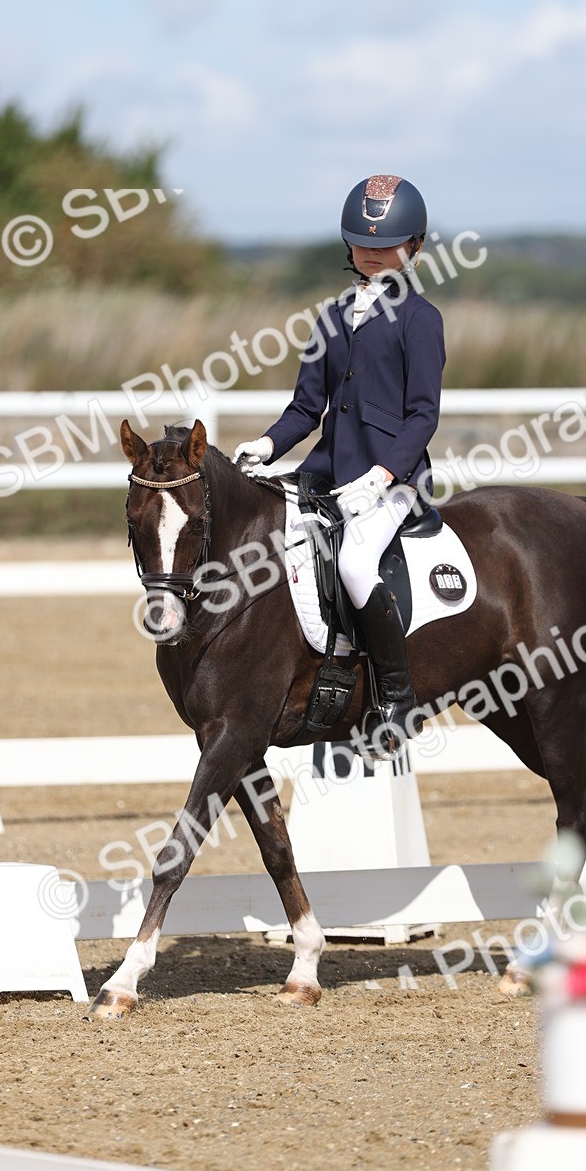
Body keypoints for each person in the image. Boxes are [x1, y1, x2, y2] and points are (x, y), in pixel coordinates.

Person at [235, 174, 445, 755]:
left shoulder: (421, 319)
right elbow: (306, 407)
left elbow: (423, 416)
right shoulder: (331, 317)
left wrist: (382, 477)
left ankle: (396, 700)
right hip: (326, 473)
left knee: (354, 562)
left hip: (392, 480)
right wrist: (268, 445)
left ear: (415, 246)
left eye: (386, 244)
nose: (372, 253)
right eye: (362, 243)